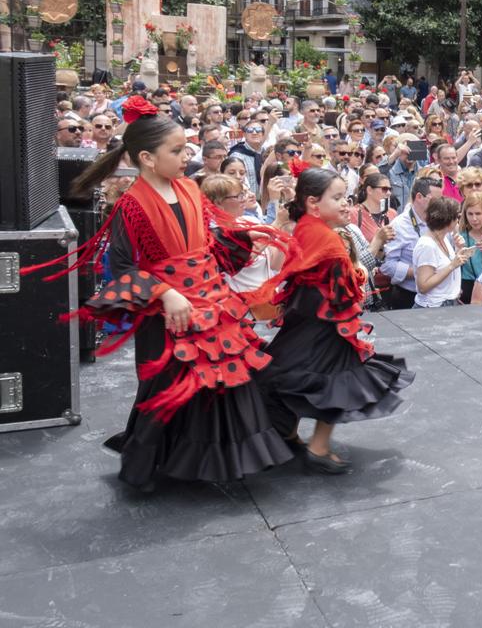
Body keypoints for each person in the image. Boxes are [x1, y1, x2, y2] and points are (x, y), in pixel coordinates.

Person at [23, 97, 293, 491]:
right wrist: (165, 293)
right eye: (178, 150)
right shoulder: (131, 205)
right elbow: (122, 269)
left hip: (211, 301)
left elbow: (207, 241)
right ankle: (148, 465)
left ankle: (212, 460)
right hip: (169, 313)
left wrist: (241, 236)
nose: (187, 157)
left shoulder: (189, 188)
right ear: (147, 158)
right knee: (168, 388)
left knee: (221, 380)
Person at [255, 168, 415, 475]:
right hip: (326, 326)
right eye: (338, 197)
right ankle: (317, 447)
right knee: (337, 383)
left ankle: (290, 435)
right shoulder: (328, 241)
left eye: (346, 197)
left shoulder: (305, 227)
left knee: (297, 375)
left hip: (308, 319)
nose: (345, 204)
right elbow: (347, 291)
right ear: (314, 203)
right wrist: (360, 273)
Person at [379, 176, 443, 309]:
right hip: (409, 297)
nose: (440, 205)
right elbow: (387, 266)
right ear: (419, 197)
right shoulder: (399, 226)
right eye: (435, 200)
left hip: (438, 295)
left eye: (441, 200)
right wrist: (420, 272)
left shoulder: (441, 221)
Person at [413, 196, 472, 308]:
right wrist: (452, 265)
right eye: (457, 217)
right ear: (448, 220)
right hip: (433, 307)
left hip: (448, 302)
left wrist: (458, 250)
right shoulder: (427, 246)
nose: (458, 221)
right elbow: (423, 286)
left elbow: (444, 267)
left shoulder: (444, 237)